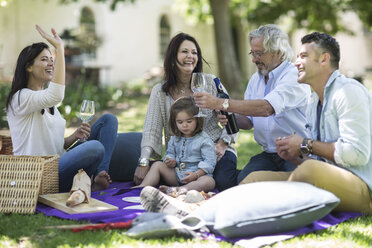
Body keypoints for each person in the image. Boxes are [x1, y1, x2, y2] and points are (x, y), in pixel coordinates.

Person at [256, 32, 372, 213]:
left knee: (309, 171)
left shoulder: (348, 92)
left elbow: (356, 154)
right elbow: (320, 160)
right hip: (327, 179)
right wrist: (295, 156)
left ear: (324, 59)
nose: (296, 63)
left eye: (303, 56)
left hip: (363, 188)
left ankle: (272, 210)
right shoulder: (312, 102)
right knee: (256, 179)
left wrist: (304, 144)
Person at [194, 24, 311, 185]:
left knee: (296, 186)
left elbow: (266, 108)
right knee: (243, 182)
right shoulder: (256, 79)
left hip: (298, 153)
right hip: (269, 154)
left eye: (259, 54)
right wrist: (227, 114)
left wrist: (221, 102)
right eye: (252, 53)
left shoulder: (294, 76)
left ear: (278, 52)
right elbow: (248, 122)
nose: (254, 59)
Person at [6, 25, 118, 192]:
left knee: (108, 120)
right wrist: (59, 48)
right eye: (44, 59)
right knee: (94, 147)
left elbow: (56, 146)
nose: (51, 62)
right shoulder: (21, 97)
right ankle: (89, 181)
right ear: (28, 66)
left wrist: (73, 137)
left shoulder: (48, 103)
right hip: (40, 173)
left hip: (59, 165)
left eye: (51, 59)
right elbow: (56, 94)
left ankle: (99, 175)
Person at [133, 32, 238, 191]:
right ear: (172, 57)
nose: (190, 56)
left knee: (223, 182)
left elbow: (231, 117)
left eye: (194, 52)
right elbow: (151, 130)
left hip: (216, 150)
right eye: (184, 52)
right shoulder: (160, 91)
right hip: (182, 157)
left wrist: (223, 144)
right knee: (155, 171)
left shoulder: (211, 82)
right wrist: (144, 161)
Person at [135, 96, 216, 194]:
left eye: (189, 121)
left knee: (209, 182)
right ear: (175, 122)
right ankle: (142, 188)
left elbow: (209, 162)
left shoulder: (204, 140)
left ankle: (179, 190)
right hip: (177, 174)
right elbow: (169, 154)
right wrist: (170, 160)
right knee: (157, 165)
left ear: (197, 120)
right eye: (180, 122)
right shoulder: (175, 138)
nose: (184, 125)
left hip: (197, 176)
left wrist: (196, 174)